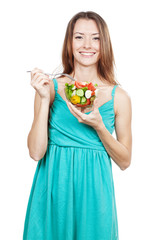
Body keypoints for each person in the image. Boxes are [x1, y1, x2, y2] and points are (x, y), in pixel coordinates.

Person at [23, 11, 132, 240]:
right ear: (69, 43)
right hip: (54, 190)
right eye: (79, 37)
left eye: (95, 38)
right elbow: (35, 152)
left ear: (104, 43)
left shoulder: (118, 97)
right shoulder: (51, 88)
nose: (87, 45)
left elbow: (124, 161)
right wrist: (43, 98)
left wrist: (100, 127)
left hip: (95, 196)